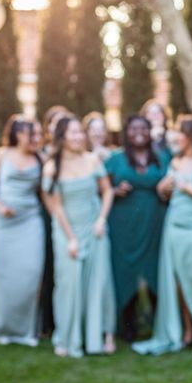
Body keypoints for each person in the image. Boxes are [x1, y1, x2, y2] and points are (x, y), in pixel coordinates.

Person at [132, 117, 192, 355]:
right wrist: (165, 186)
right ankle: (187, 332)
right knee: (177, 281)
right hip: (174, 224)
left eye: (180, 133)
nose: (176, 137)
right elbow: (163, 192)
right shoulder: (176, 162)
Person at [42, 114, 116, 358]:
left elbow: (107, 192)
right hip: (66, 230)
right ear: (61, 137)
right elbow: (56, 206)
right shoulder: (53, 165)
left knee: (99, 281)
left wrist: (101, 220)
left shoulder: (92, 160)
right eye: (71, 132)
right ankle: (66, 336)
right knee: (68, 284)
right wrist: (70, 238)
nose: (77, 137)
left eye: (79, 132)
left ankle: (103, 335)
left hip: (94, 227)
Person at [0, 115, 45, 347]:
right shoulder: (2, 155)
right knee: (2, 278)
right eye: (33, 134)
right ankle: (3, 329)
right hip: (3, 225)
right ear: (19, 134)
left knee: (31, 273)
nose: (37, 138)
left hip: (30, 222)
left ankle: (27, 330)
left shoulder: (41, 158)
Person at [105, 115, 169, 341]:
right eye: (133, 128)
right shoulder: (114, 159)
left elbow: (171, 184)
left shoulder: (162, 158)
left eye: (143, 127)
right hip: (123, 224)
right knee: (124, 270)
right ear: (126, 132)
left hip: (154, 222)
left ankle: (158, 323)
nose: (138, 132)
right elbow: (99, 190)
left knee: (154, 269)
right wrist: (113, 191)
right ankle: (128, 325)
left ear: (150, 131)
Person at [38, 105, 67, 338]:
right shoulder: (42, 154)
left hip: (75, 215)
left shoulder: (76, 153)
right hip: (48, 217)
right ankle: (47, 322)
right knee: (49, 269)